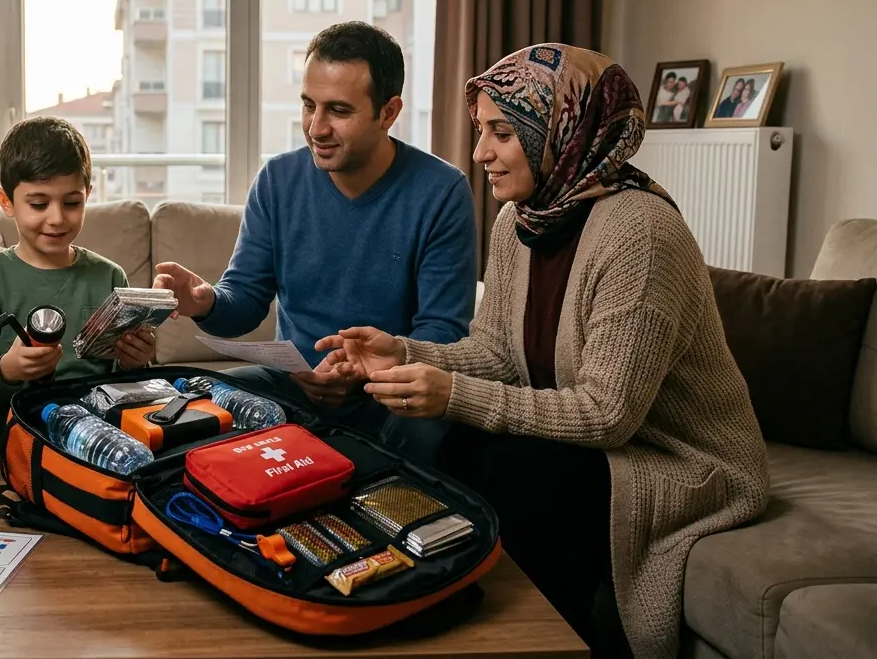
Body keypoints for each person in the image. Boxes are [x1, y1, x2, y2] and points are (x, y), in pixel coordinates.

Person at [316, 44, 769, 658]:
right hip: (603, 438)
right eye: (481, 131)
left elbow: (609, 413)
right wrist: (401, 352)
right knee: (453, 441)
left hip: (675, 459)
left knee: (523, 470)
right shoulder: (522, 221)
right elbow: (500, 355)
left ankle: (542, 640)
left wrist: (453, 394)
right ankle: (445, 613)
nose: (480, 155)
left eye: (502, 133)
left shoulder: (641, 233)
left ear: (562, 129)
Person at [154, 21, 477, 464]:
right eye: (309, 105)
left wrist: (365, 370)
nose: (316, 128)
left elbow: (442, 334)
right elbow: (244, 302)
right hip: (294, 387)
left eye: (338, 110)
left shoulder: (442, 191)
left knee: (429, 422)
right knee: (197, 397)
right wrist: (205, 300)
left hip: (389, 395)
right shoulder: (277, 181)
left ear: (389, 112)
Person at [0, 116, 157, 468]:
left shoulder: (110, 276)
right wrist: (8, 369)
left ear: (87, 196)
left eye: (72, 203)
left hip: (95, 455)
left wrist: (135, 362)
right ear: (6, 202)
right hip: (9, 456)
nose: (57, 218)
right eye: (38, 204)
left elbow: (128, 388)